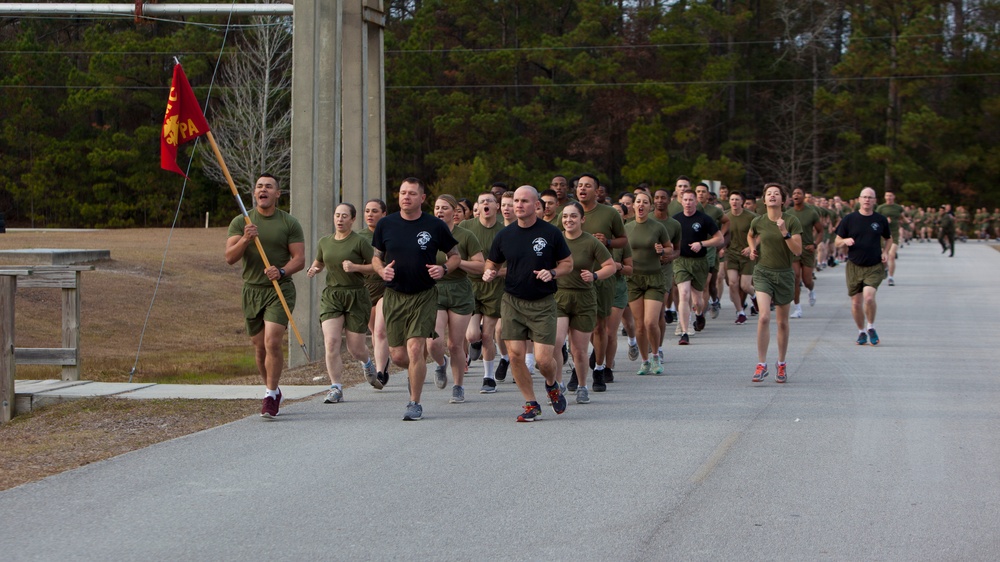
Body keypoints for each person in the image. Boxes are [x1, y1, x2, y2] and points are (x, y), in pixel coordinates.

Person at [372, 178, 460, 421]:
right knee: (400, 356)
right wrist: (381, 271)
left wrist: (443, 269)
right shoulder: (386, 225)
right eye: (402, 193)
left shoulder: (434, 225)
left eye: (411, 193)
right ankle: (418, 369)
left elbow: (454, 256)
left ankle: (415, 403)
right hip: (394, 295)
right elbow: (376, 257)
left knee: (415, 347)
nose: (406, 197)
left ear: (422, 198)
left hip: (423, 295)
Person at [483, 185, 573, 422]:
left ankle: (552, 385)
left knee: (544, 360)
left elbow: (568, 264)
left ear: (536, 206)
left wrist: (552, 273)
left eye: (524, 201)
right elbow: (492, 262)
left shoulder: (551, 233)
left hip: (542, 303)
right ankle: (531, 404)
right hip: (512, 302)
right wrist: (489, 272)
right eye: (516, 201)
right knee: (515, 355)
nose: (518, 205)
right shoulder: (505, 235)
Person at [225, 174, 305, 419]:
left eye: (269, 186)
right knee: (259, 347)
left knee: (272, 341)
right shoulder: (242, 222)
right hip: (252, 290)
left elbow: (299, 260)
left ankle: (270, 395)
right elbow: (230, 257)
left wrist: (281, 271)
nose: (264, 190)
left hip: (279, 289)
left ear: (277, 194)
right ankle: (274, 388)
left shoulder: (289, 223)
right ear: (254, 193)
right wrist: (246, 239)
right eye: (260, 186)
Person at [306, 203, 376, 404]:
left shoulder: (360, 242)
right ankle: (336, 387)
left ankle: (367, 362)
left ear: (352, 219)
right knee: (332, 342)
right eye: (337, 215)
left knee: (356, 348)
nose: (340, 219)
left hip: (356, 296)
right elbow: (320, 261)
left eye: (344, 216)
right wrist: (314, 269)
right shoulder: (325, 242)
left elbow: (375, 267)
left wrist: (355, 267)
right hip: (332, 296)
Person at [566, 173, 627, 392]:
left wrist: (608, 241)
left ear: (597, 190)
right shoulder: (568, 212)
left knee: (600, 327)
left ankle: (599, 368)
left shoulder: (609, 213)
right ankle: (578, 367)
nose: (582, 189)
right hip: (572, 280)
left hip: (601, 278)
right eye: (579, 186)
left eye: (587, 186)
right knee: (576, 329)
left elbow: (623, 240)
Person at [553, 202, 615, 404]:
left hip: (584, 298)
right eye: (565, 217)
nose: (568, 220)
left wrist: (595, 275)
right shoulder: (555, 239)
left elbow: (610, 266)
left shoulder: (590, 242)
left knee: (579, 350)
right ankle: (558, 384)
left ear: (582, 219)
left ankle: (582, 386)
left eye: (572, 216)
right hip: (559, 296)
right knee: (556, 342)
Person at [427, 195, 484, 404]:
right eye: (436, 208)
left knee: (455, 345)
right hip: (434, 290)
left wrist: (457, 263)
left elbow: (481, 265)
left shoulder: (466, 236)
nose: (439, 211)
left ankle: (458, 386)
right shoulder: (428, 234)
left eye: (444, 208)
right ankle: (441, 364)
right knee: (433, 342)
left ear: (454, 211)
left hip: (459, 290)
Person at [747, 183, 802, 383]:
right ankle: (761, 364)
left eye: (776, 194)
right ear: (764, 199)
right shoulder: (758, 221)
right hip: (762, 272)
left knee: (782, 322)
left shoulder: (791, 221)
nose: (772, 196)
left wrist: (785, 232)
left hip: (785, 274)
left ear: (783, 200)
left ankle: (781, 363)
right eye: (769, 194)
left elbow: (797, 251)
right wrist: (752, 248)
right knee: (763, 317)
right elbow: (751, 235)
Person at [461, 192, 506, 393]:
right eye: (481, 201)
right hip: (470, 285)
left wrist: (497, 272)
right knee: (472, 335)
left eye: (489, 201)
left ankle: (488, 377)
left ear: (497, 206)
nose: (485, 203)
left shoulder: (506, 230)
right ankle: (475, 343)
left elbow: (515, 263)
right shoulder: (466, 228)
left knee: (488, 334)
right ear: (476, 208)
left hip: (495, 287)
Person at [834, 187, 891, 346]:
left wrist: (885, 251)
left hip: (874, 266)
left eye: (870, 197)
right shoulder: (849, 219)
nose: (867, 200)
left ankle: (871, 327)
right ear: (859, 199)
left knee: (869, 297)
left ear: (874, 201)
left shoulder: (880, 219)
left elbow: (889, 238)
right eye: (864, 197)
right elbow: (837, 241)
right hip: (854, 266)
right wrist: (844, 241)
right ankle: (861, 332)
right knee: (856, 303)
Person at [626, 191, 672, 375]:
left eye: (645, 202)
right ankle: (644, 361)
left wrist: (662, 250)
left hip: (654, 277)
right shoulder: (627, 228)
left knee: (651, 322)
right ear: (634, 205)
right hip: (634, 279)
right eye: (638, 202)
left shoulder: (658, 227)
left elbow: (670, 248)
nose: (641, 205)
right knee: (639, 324)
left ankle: (655, 356)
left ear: (650, 207)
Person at [672, 189, 724, 344]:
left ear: (696, 202)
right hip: (681, 261)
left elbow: (719, 239)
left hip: (699, 262)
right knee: (684, 294)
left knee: (697, 301)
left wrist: (702, 244)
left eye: (691, 200)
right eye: (685, 199)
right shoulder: (675, 220)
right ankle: (684, 331)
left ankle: (700, 314)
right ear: (681, 201)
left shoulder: (704, 219)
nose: (688, 203)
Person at [357, 198, 391, 388]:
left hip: (386, 288)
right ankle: (384, 360)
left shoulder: (390, 233)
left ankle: (380, 371)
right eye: (367, 211)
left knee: (380, 330)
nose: (370, 215)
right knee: (373, 331)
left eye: (375, 211)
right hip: (366, 289)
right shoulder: (358, 236)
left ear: (384, 214)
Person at [786, 187, 823, 318]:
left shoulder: (811, 213)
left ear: (803, 196)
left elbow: (820, 231)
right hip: (794, 249)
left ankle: (811, 290)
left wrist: (815, 244)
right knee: (795, 277)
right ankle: (797, 308)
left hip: (807, 249)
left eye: (799, 193)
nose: (796, 195)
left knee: (807, 280)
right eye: (794, 193)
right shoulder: (788, 213)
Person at [724, 191, 756, 324]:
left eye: (737, 199)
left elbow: (759, 235)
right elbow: (721, 233)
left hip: (747, 255)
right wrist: (721, 247)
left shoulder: (751, 217)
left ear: (742, 202)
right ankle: (740, 312)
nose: (734, 202)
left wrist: (751, 247)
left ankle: (755, 297)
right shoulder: (725, 216)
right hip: (731, 254)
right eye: (732, 199)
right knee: (732, 283)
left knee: (745, 286)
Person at [875, 191, 908, 285]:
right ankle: (885, 268)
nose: (888, 197)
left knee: (892, 255)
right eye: (887, 195)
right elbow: (875, 220)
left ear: (894, 196)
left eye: (890, 195)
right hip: (882, 235)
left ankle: (891, 277)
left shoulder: (898, 208)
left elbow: (902, 217)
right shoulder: (881, 208)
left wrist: (908, 222)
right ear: (885, 197)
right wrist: (884, 221)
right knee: (883, 256)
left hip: (894, 234)